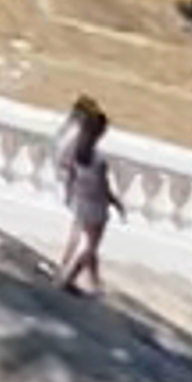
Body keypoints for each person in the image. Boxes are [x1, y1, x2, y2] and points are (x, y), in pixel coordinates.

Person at [57, 100, 117, 297]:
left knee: (83, 240)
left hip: (81, 200)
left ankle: (93, 280)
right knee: (91, 246)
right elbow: (103, 186)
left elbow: (70, 173)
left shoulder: (76, 151)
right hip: (96, 205)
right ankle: (70, 279)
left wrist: (70, 192)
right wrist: (114, 201)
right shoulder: (98, 160)